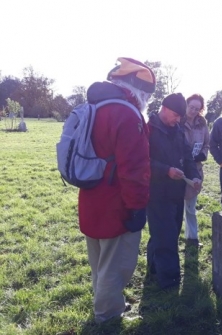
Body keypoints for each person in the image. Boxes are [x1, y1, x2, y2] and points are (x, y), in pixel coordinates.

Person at [78, 57, 156, 323]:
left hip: (91, 196)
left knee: (99, 261)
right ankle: (108, 316)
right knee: (116, 264)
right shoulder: (126, 113)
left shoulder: (95, 106)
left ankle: (104, 304)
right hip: (117, 202)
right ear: (139, 90)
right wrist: (137, 207)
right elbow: (134, 168)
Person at [146, 93, 201, 290]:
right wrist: (166, 170)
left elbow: (187, 156)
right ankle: (169, 283)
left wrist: (194, 176)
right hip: (157, 192)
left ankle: (153, 269)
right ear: (165, 109)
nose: (178, 120)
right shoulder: (148, 128)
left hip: (176, 192)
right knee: (166, 236)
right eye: (176, 115)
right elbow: (142, 161)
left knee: (167, 233)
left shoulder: (177, 130)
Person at [181, 94, 210, 247]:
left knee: (191, 208)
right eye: (191, 107)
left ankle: (192, 238)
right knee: (176, 209)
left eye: (197, 108)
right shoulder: (178, 121)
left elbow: (207, 144)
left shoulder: (202, 124)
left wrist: (203, 154)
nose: (193, 111)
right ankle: (172, 238)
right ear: (186, 105)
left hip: (196, 170)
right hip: (179, 170)